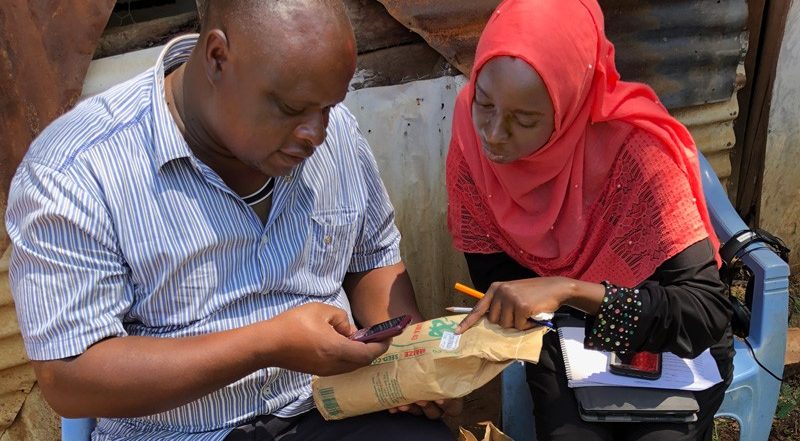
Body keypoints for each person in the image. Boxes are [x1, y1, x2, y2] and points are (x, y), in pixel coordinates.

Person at [6, 1, 459, 439]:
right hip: (177, 432)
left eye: (328, 107)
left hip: (329, 405)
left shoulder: (331, 130)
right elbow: (70, 377)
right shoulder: (75, 170)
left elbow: (370, 259)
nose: (316, 133)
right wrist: (267, 343)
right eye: (290, 109)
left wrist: (411, 356)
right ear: (218, 57)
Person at [447, 0, 733, 440]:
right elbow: (493, 274)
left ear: (571, 104)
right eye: (484, 104)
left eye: (524, 119)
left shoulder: (634, 153)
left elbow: (705, 311)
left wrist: (572, 289)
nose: (493, 134)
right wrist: (538, 306)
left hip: (669, 344)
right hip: (561, 337)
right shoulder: (471, 143)